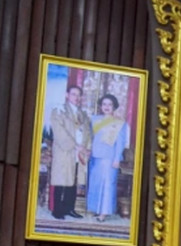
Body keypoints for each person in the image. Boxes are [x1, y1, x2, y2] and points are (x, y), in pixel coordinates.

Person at [48, 85, 91, 220]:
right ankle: (57, 210)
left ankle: (69, 208)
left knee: (74, 180)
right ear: (67, 95)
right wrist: (75, 146)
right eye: (73, 94)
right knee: (61, 180)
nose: (76, 97)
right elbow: (59, 132)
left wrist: (86, 148)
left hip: (79, 153)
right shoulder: (59, 111)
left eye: (79, 95)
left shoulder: (83, 114)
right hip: (65, 151)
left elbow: (88, 132)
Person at [86, 94, 130, 223]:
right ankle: (96, 209)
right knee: (96, 183)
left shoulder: (119, 123)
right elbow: (89, 137)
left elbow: (120, 143)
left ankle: (104, 213)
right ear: (100, 106)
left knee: (107, 185)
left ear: (114, 107)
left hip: (109, 158)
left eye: (110, 104)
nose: (106, 107)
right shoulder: (94, 120)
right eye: (104, 104)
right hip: (95, 157)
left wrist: (117, 159)